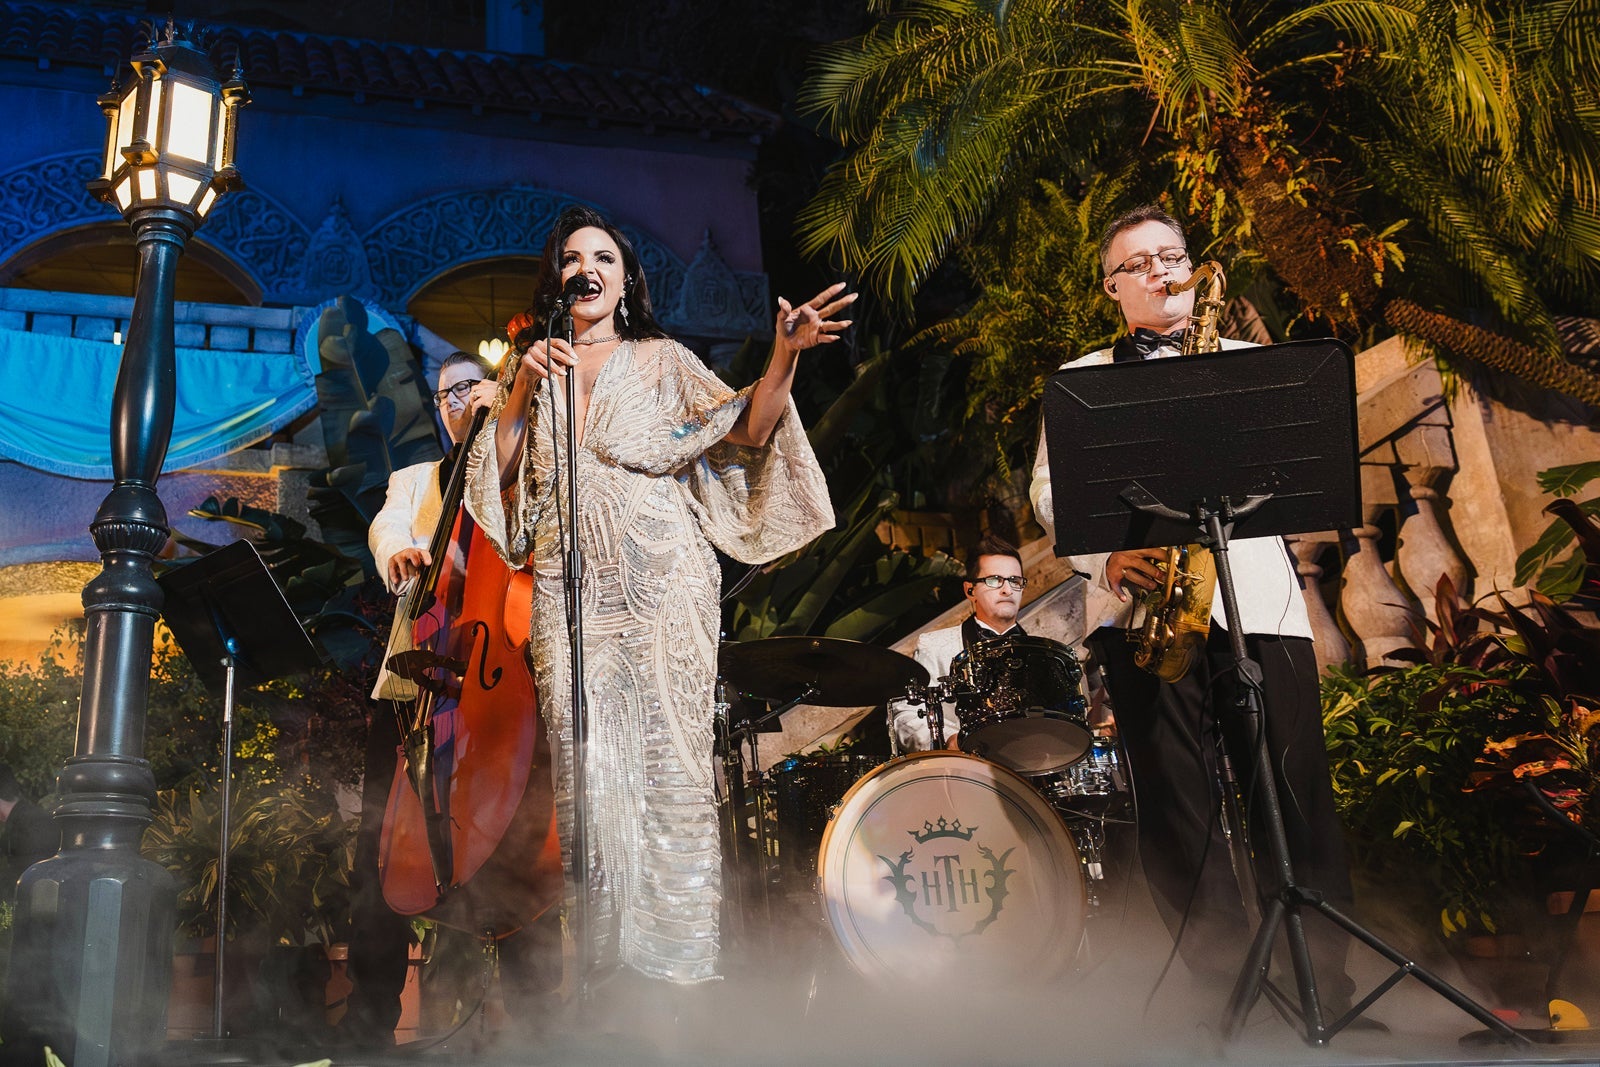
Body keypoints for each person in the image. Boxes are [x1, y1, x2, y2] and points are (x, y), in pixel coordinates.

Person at [463, 205, 844, 985]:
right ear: (557, 279)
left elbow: (748, 430)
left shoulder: (663, 360)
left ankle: (676, 970)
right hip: (570, 592)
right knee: (587, 767)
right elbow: (499, 483)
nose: (587, 267)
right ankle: (604, 966)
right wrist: (516, 392)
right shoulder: (537, 368)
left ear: (625, 280)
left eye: (604, 256)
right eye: (573, 257)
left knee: (668, 760)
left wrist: (784, 354)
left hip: (663, 584)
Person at [1029, 205, 1357, 1004]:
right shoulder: (1080, 380)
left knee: (1295, 792)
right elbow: (1047, 492)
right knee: (1180, 809)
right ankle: (1227, 993)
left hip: (1261, 609)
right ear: (1112, 289)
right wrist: (1106, 558)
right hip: (1145, 612)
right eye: (1138, 264)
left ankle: (1324, 984)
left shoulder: (1252, 361)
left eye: (1170, 256)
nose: (1160, 272)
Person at [350, 350, 510, 1044]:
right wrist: (400, 556)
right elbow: (386, 527)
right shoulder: (416, 478)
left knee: (511, 830)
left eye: (472, 387)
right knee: (380, 842)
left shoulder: (516, 469)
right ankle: (368, 1018)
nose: (459, 400)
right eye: (447, 393)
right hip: (416, 683)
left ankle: (533, 1025)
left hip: (492, 683)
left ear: (497, 394)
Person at [888, 535, 1028, 754]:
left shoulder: (1044, 650)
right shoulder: (934, 645)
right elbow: (906, 716)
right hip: (962, 772)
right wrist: (949, 740)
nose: (1007, 590)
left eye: (1015, 581)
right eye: (994, 580)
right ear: (970, 590)